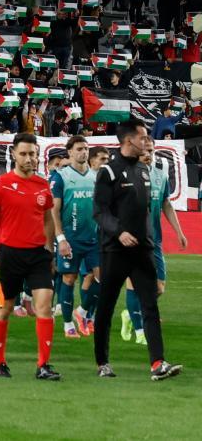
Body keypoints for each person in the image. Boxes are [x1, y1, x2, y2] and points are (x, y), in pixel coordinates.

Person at [92, 121, 182, 380]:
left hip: (143, 251)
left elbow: (146, 211)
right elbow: (99, 212)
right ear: (129, 140)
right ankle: (103, 362)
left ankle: (158, 363)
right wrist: (119, 232)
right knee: (106, 306)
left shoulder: (144, 170)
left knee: (150, 305)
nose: (147, 141)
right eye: (143, 137)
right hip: (114, 250)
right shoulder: (108, 172)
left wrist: (149, 239)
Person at [0, 133, 60, 380]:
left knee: (44, 306)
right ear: (14, 154)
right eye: (23, 154)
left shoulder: (42, 185)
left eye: (32, 154)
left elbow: (48, 219)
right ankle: (0, 363)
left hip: (38, 256)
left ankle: (43, 365)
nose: (28, 158)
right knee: (4, 309)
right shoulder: (1, 184)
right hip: (10, 255)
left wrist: (49, 249)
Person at [122, 143, 189, 345]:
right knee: (134, 283)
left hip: (154, 241)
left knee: (159, 287)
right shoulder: (125, 176)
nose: (147, 154)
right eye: (143, 151)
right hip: (132, 240)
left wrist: (179, 232)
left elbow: (166, 203)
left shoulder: (160, 175)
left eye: (150, 151)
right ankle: (140, 331)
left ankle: (130, 313)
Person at [50, 136, 99, 339]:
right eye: (79, 149)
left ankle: (82, 311)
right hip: (71, 239)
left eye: (86, 148)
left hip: (94, 239)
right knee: (69, 278)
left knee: (103, 277)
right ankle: (68, 324)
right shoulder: (61, 177)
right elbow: (54, 210)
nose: (84, 152)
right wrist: (60, 238)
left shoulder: (95, 176)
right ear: (70, 152)